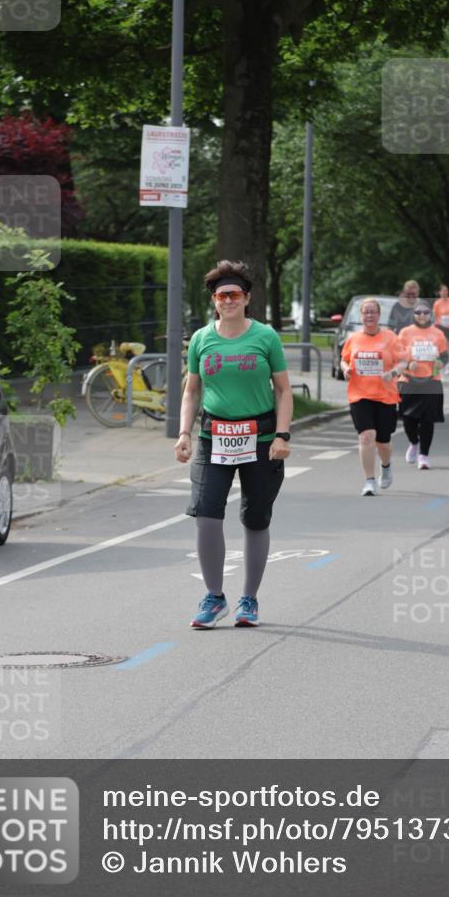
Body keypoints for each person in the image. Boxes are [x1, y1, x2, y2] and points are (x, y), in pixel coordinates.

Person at [174, 260, 293, 629]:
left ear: (246, 299)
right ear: (214, 301)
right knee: (206, 515)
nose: (228, 300)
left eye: (234, 294)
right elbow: (191, 391)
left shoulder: (265, 337)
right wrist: (184, 433)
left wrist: (282, 435)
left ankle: (249, 599)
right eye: (221, 295)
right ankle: (214, 597)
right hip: (214, 437)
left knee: (255, 519)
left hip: (261, 438)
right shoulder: (201, 339)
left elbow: (283, 389)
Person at [340, 298, 406, 496]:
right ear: (361, 316)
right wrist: (346, 369)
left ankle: (386, 466)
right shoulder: (353, 338)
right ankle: (369, 481)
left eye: (373, 312)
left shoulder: (390, 337)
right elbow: (344, 360)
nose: (369, 315)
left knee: (383, 442)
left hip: (385, 395)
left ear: (379, 315)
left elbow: (403, 362)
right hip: (359, 394)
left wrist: (392, 373)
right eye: (366, 312)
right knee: (366, 436)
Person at [398, 302, 449, 469]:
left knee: (428, 420)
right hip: (408, 380)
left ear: (430, 314)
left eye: (425, 312)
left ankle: (423, 455)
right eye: (418, 312)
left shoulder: (438, 334)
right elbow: (397, 356)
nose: (422, 315)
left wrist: (441, 363)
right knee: (408, 418)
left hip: (431, 381)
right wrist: (407, 365)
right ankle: (414, 442)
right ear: (413, 314)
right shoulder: (405, 333)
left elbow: (444, 356)